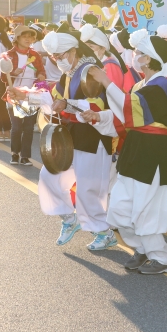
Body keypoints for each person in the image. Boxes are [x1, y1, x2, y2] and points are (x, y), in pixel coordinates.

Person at [103, 29, 167, 274]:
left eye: (140, 52)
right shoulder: (142, 84)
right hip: (135, 149)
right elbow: (123, 116)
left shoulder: (163, 85)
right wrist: (97, 117)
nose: (135, 55)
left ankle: (163, 259)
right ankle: (142, 248)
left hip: (154, 151)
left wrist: (105, 83)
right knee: (119, 207)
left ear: (149, 58)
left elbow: (131, 109)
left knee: (147, 208)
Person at [24, 30, 121, 251]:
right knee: (50, 176)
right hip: (71, 137)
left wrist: (66, 103)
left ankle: (104, 232)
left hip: (94, 137)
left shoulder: (90, 71)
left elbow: (99, 104)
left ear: (73, 50)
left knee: (89, 188)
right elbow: (53, 99)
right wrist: (26, 96)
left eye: (60, 55)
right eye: (54, 57)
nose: (57, 60)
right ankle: (69, 218)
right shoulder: (69, 73)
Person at [1, 25, 46, 165]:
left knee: (28, 128)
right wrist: (13, 73)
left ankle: (25, 156)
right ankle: (15, 153)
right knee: (17, 127)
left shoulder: (35, 55)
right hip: (14, 94)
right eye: (24, 36)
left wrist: (41, 75)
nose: (28, 39)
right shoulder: (8, 55)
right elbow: (3, 77)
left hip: (31, 94)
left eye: (30, 37)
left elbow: (42, 71)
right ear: (17, 38)